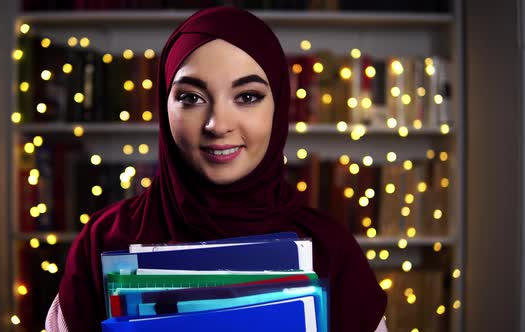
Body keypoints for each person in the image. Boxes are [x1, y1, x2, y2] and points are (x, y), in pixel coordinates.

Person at [46, 6, 388, 332]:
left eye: (248, 96)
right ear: (164, 107)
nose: (217, 124)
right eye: (192, 98)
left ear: (279, 106)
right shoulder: (104, 240)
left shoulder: (330, 248)